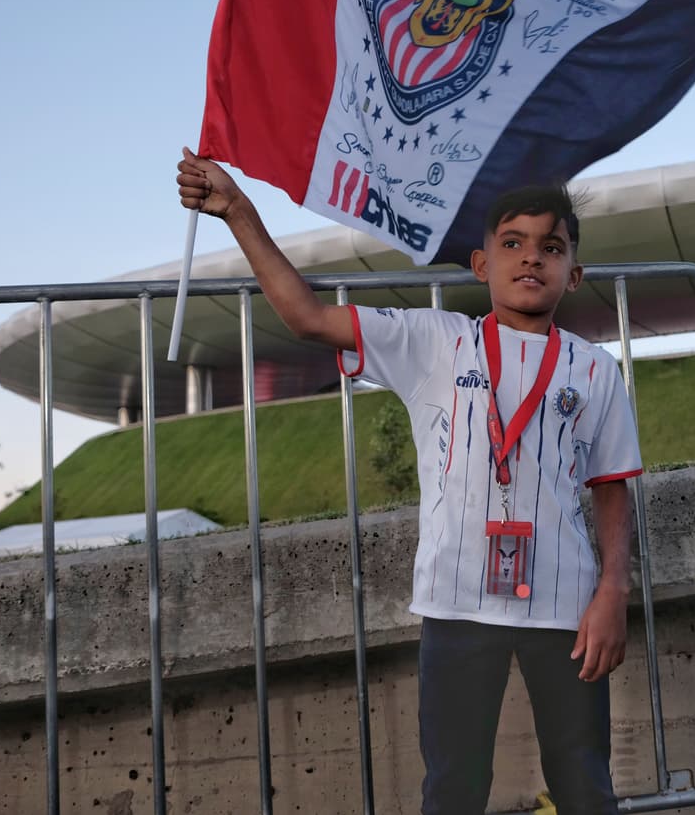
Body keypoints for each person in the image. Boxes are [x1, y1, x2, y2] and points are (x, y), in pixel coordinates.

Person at [177, 148, 642, 814]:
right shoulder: (433, 340)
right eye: (512, 243)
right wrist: (239, 212)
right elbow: (308, 316)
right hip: (456, 608)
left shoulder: (594, 369)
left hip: (566, 610)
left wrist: (612, 591)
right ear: (482, 264)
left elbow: (611, 485)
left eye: (551, 246)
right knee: (452, 788)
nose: (531, 258)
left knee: (585, 785)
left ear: (574, 273)